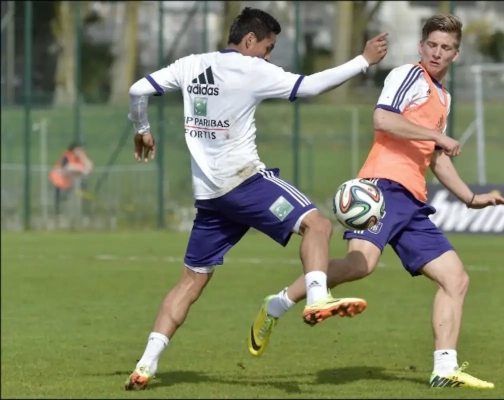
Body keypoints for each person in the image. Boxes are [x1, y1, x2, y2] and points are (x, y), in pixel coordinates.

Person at [124, 7, 388, 391]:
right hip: (245, 184)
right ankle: (317, 297)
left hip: (210, 198)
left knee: (190, 283)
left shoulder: (190, 64)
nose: (268, 55)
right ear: (249, 40)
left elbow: (137, 90)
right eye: (268, 47)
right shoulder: (252, 69)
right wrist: (363, 61)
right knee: (318, 225)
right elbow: (311, 86)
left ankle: (145, 365)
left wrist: (142, 128)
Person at [250, 14, 504, 389]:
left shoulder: (443, 96)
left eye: (446, 47)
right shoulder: (408, 76)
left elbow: (434, 157)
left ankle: (444, 368)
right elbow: (383, 119)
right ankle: (276, 305)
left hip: (413, 202)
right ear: (421, 46)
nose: (437, 53)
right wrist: (437, 136)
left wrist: (470, 197)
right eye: (432, 45)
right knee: (361, 265)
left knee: (456, 279)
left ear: (456, 53)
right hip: (381, 189)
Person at [48, 142, 93, 215]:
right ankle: (57, 213)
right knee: (60, 198)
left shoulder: (81, 158)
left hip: (71, 182)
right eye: (78, 150)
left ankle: (83, 212)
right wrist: (81, 169)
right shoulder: (67, 156)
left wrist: (84, 159)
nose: (80, 152)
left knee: (76, 195)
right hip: (59, 181)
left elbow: (89, 168)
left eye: (81, 150)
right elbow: (67, 167)